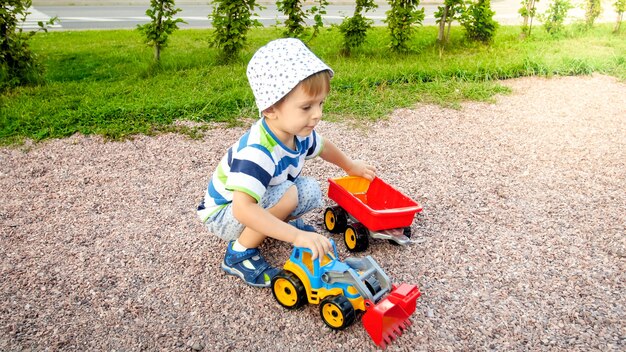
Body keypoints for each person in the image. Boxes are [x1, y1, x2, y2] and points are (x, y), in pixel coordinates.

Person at [197, 38, 376, 287]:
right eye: (306, 107)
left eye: (320, 103)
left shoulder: (298, 133)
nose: (318, 114)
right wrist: (296, 236)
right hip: (224, 214)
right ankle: (238, 254)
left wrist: (350, 165)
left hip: (254, 202)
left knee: (308, 189)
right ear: (271, 109)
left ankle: (272, 224)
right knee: (290, 194)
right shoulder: (258, 151)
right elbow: (242, 209)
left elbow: (323, 147)